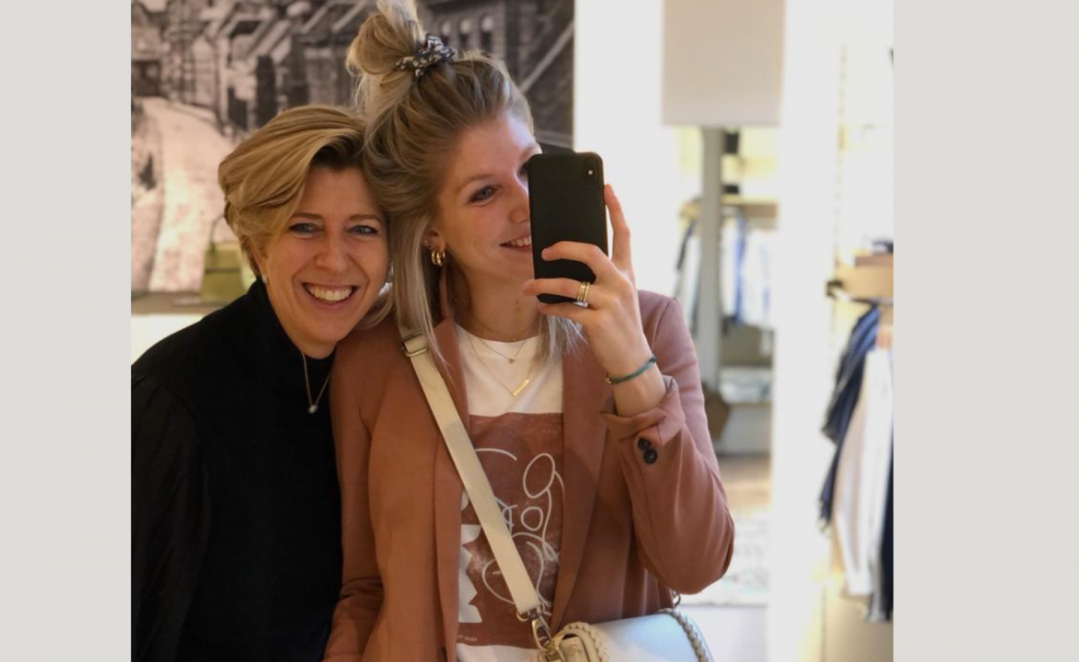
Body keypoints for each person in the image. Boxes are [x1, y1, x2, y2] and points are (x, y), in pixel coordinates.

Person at [324, 2, 734, 660]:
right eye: (483, 193)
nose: (525, 204)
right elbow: (364, 585)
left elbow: (697, 564)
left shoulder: (649, 327)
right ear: (432, 231)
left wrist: (632, 370)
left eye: (529, 168)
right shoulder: (375, 358)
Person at [132, 105, 390, 661]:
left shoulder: (388, 382)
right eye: (304, 226)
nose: (335, 259)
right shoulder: (171, 398)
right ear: (256, 245)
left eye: (363, 229)